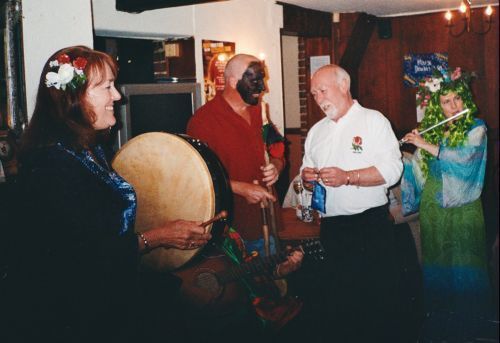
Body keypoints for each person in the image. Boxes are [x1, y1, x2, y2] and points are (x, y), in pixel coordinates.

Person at [4, 46, 211, 342]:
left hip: (108, 299)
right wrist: (158, 236)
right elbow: (79, 255)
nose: (117, 96)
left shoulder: (92, 150)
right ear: (73, 99)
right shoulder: (49, 165)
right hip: (76, 316)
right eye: (106, 87)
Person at [301, 64, 404, 341]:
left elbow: (393, 170)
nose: (319, 99)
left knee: (377, 305)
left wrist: (349, 177)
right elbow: (306, 175)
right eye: (313, 94)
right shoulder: (316, 132)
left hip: (369, 226)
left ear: (344, 85)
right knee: (340, 305)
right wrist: (307, 178)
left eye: (323, 90)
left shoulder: (373, 121)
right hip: (333, 228)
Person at [401, 67, 496, 341]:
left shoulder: (477, 128)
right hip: (434, 205)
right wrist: (407, 152)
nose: (453, 106)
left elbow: (465, 158)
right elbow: (419, 169)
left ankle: (472, 326)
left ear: (465, 99)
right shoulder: (434, 131)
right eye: (446, 102)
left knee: (466, 261)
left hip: (463, 206)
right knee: (438, 261)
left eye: (457, 99)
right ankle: (443, 324)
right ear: (438, 107)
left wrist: (428, 145)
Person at [187, 54, 301, 266]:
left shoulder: (260, 111)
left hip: (268, 218)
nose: (263, 87)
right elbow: (197, 179)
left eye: (263, 79)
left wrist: (276, 165)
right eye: (255, 80)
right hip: (233, 228)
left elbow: (276, 147)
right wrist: (240, 188)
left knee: (274, 289)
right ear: (232, 81)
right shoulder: (203, 121)